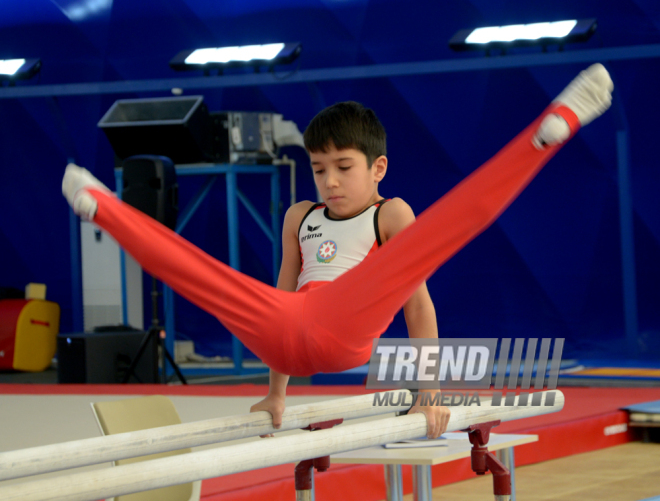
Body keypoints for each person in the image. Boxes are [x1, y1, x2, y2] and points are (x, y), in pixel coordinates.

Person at [62, 64, 613, 439]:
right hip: (285, 325)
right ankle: (101, 205)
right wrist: (277, 395)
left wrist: (431, 393)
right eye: (319, 168)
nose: (329, 181)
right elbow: (279, 297)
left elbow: (418, 307)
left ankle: (546, 134)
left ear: (377, 168)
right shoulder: (298, 216)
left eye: (343, 168)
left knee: (446, 227)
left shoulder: (389, 214)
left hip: (346, 322)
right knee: (198, 274)